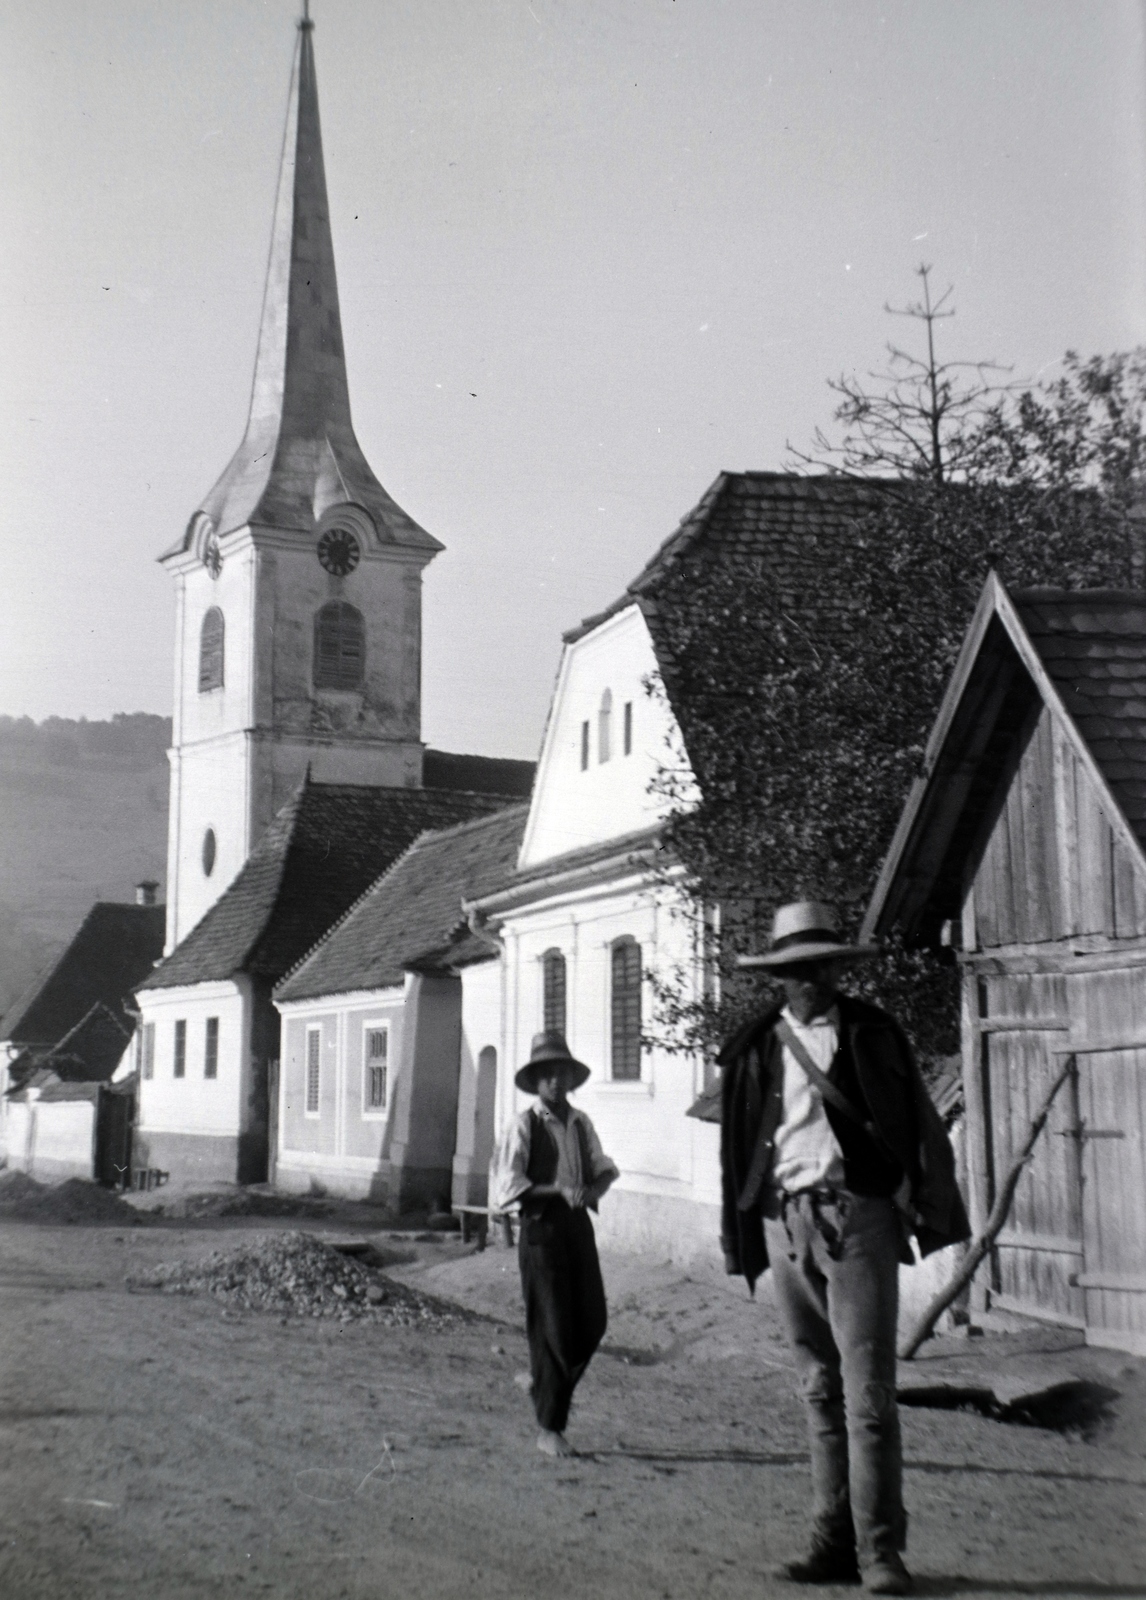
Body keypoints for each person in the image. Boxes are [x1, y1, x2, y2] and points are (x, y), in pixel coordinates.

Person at [718, 901, 969, 1597]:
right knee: (818, 1391)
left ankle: (881, 1552)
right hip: (783, 1221)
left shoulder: (873, 1034)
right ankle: (830, 1544)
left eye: (822, 966)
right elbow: (735, 1147)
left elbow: (918, 1122)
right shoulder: (754, 1048)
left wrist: (921, 1196)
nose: (813, 980)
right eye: (798, 970)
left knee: (869, 1396)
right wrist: (743, 1234)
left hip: (858, 1223)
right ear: (779, 978)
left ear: (837, 968)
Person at [491, 1029, 619, 1457]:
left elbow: (604, 1167)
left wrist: (595, 1189)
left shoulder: (581, 1123)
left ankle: (542, 1380)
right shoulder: (524, 1125)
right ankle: (550, 1430)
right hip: (541, 1229)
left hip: (578, 1226)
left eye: (562, 1073)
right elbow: (508, 1186)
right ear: (536, 1081)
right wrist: (559, 1191)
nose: (556, 1082)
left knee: (593, 1320)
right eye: (548, 1075)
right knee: (554, 1328)